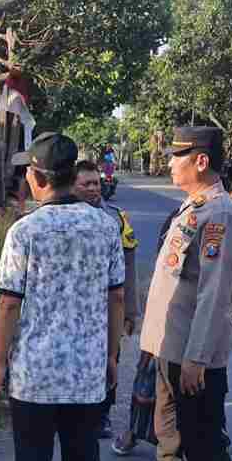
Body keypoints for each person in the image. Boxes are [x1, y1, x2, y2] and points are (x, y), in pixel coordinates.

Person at [0, 132, 124, 461]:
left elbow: (9, 303)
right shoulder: (105, 226)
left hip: (35, 373)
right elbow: (116, 297)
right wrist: (111, 356)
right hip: (87, 371)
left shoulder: (25, 230)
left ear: (37, 176)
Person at [116, 126, 232, 461]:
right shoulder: (192, 209)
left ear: (201, 161)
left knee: (203, 438)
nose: (169, 163)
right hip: (169, 347)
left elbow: (215, 294)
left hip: (194, 353)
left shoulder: (220, 216)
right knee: (168, 433)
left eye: (177, 156)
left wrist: (196, 356)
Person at [75, 159, 138, 439]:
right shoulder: (63, 218)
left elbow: (129, 266)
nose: (93, 188)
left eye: (96, 183)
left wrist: (130, 311)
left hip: (107, 307)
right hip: (75, 309)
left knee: (110, 358)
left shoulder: (116, 218)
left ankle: (103, 415)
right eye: (85, 183)